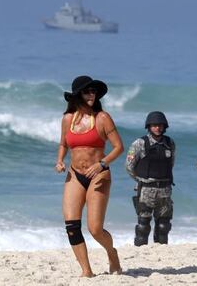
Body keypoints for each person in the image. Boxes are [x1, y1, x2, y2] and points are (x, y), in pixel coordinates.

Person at [55, 75, 124, 277]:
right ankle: (87, 271)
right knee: (72, 226)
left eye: (93, 91)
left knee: (95, 229)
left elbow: (119, 147)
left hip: (98, 174)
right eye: (87, 91)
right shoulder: (68, 119)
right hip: (75, 175)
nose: (91, 94)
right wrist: (60, 160)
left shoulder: (102, 118)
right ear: (77, 95)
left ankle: (112, 253)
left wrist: (102, 163)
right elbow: (63, 144)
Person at [125, 111, 175, 246]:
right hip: (147, 189)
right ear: (149, 126)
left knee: (164, 225)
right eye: (154, 125)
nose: (157, 128)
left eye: (160, 125)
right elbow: (129, 166)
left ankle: (161, 251)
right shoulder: (140, 143)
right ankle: (141, 251)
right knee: (143, 225)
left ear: (164, 126)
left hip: (165, 189)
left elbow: (171, 164)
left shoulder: (170, 143)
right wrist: (140, 180)